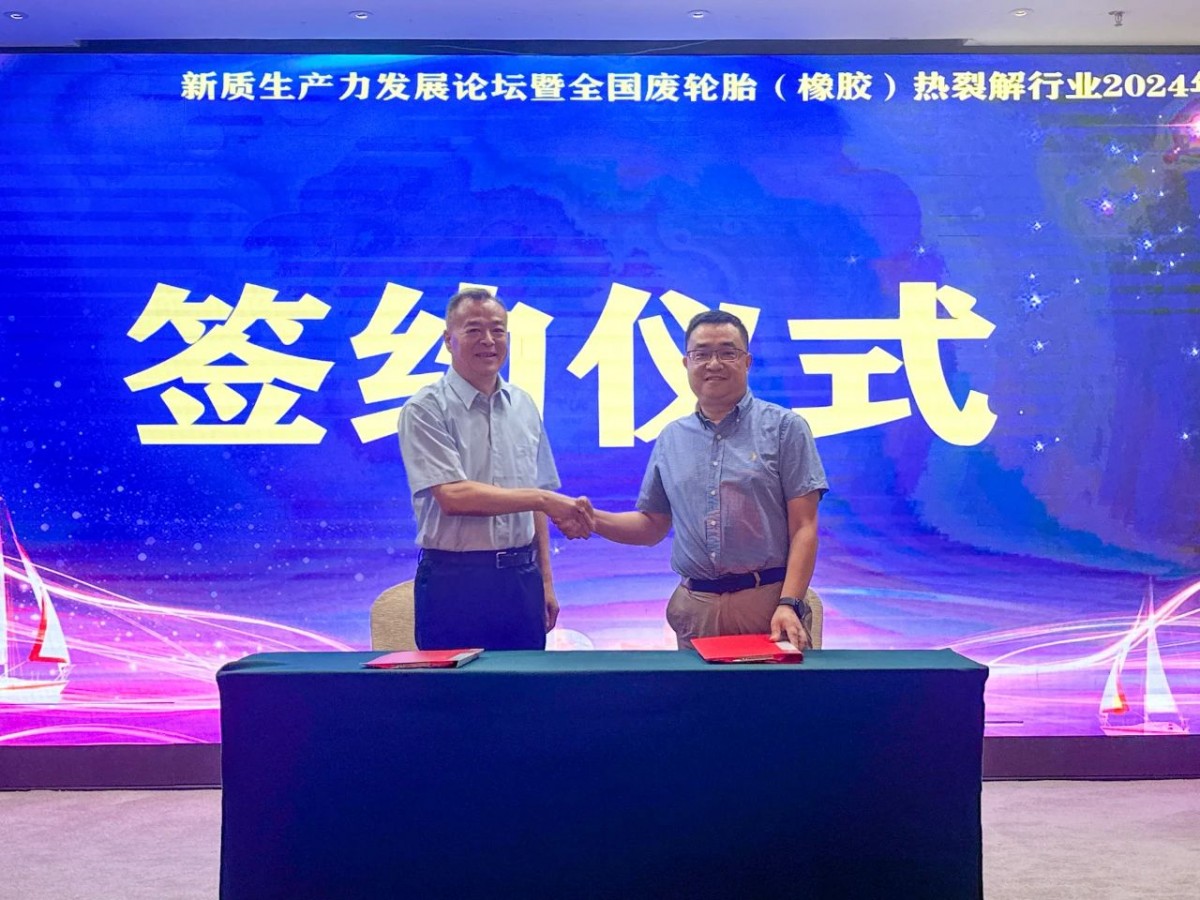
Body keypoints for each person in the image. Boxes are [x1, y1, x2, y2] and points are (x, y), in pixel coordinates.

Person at [591, 310, 828, 650]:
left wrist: (789, 603)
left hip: (767, 606)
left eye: (727, 353)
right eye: (701, 354)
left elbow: (804, 527)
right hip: (695, 609)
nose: (713, 364)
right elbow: (652, 525)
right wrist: (591, 519)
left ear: (747, 361)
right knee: (694, 689)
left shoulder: (785, 428)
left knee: (775, 688)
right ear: (686, 363)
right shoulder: (671, 438)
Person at [398, 288, 592, 650]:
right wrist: (544, 499)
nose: (488, 340)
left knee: (523, 684)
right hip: (453, 582)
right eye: (473, 329)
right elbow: (454, 496)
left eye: (497, 330)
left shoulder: (523, 405)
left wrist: (545, 582)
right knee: (454, 686)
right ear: (448, 340)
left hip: (521, 579)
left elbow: (536, 503)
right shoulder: (425, 408)